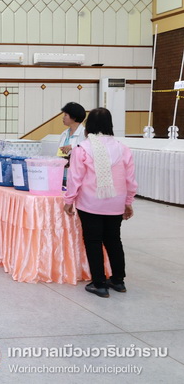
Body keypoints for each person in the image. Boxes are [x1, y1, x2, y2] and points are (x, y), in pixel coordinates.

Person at [64, 108, 137, 298]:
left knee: (93, 241)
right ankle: (118, 280)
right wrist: (128, 201)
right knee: (114, 240)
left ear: (89, 125)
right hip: (116, 202)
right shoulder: (122, 148)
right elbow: (130, 179)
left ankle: (99, 284)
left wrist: (69, 200)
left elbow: (75, 178)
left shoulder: (82, 148)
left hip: (90, 202)